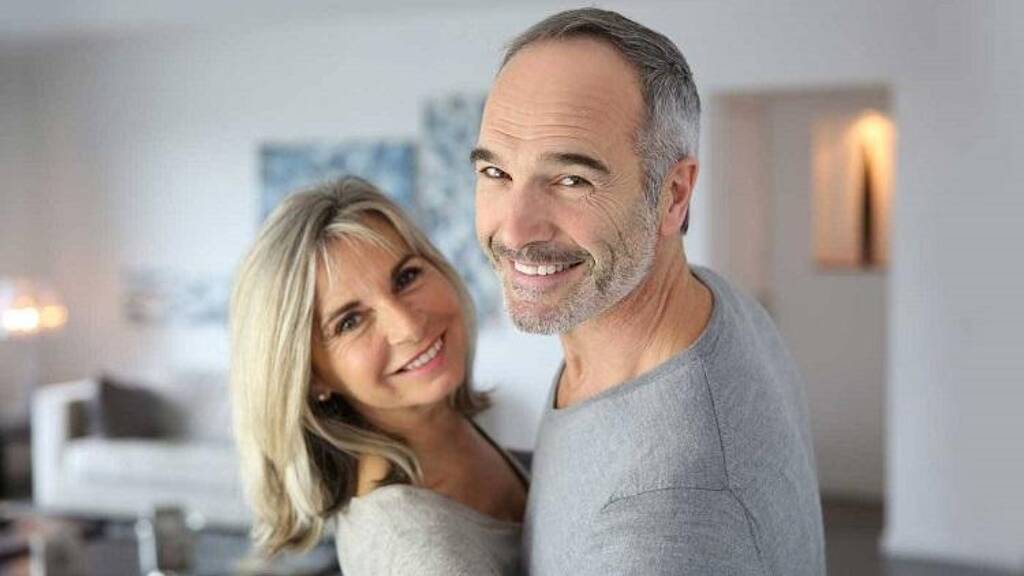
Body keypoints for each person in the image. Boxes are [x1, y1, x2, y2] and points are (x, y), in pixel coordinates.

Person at [472, 8, 825, 575]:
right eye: (496, 173)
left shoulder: (663, 527)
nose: (514, 231)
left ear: (674, 194)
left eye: (571, 180)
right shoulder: (712, 304)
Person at [229, 177, 528, 575]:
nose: (408, 327)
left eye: (406, 278)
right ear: (311, 377)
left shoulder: (451, 433)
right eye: (350, 321)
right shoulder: (413, 550)